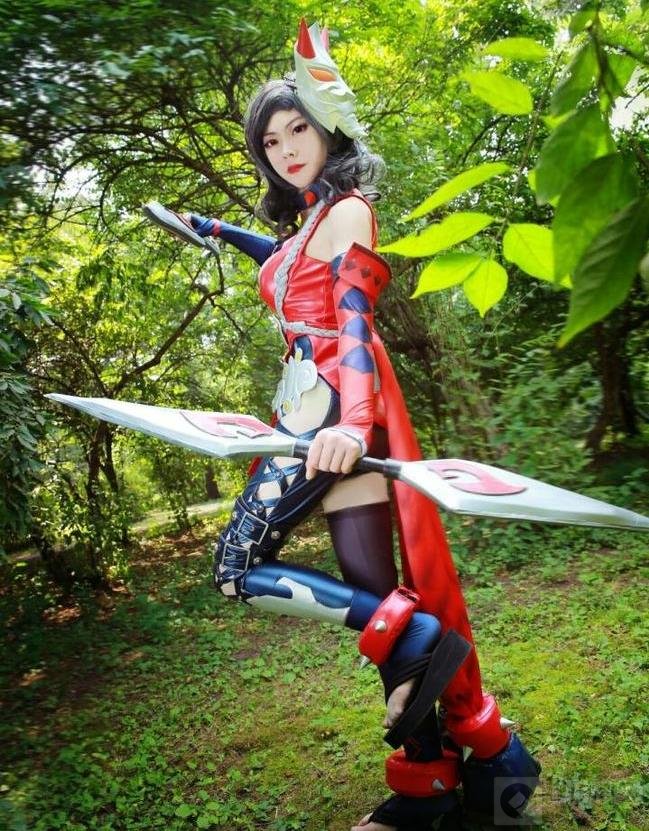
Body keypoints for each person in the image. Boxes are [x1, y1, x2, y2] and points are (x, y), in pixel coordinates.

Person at [151, 20, 540, 830]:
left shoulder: (348, 211)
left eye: (298, 129)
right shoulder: (309, 225)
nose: (285, 149)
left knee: (235, 568)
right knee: (375, 598)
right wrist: (216, 230)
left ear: (327, 128)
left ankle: (420, 641)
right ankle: (443, 774)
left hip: (328, 413)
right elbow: (283, 260)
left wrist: (354, 426)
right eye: (270, 140)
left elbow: (355, 323)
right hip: (317, 410)